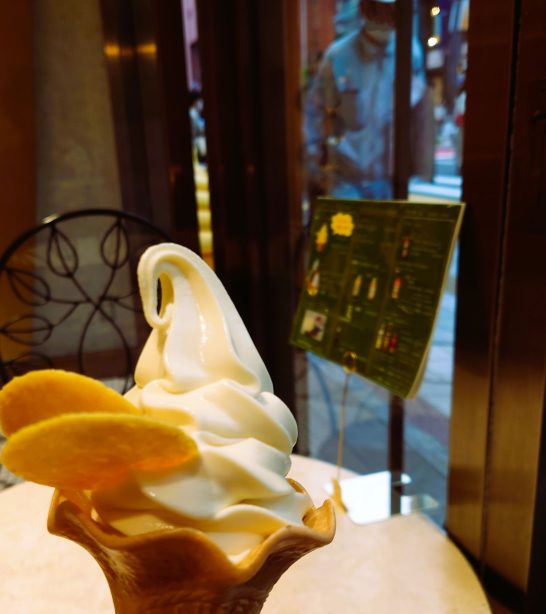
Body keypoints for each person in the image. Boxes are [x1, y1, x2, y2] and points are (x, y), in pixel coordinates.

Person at [305, 0, 433, 200]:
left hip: (394, 183)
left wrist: (423, 173)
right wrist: (316, 170)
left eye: (391, 11)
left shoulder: (409, 52)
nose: (385, 19)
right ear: (364, 9)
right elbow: (313, 114)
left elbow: (421, 117)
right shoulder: (338, 56)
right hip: (346, 183)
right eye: (378, 10)